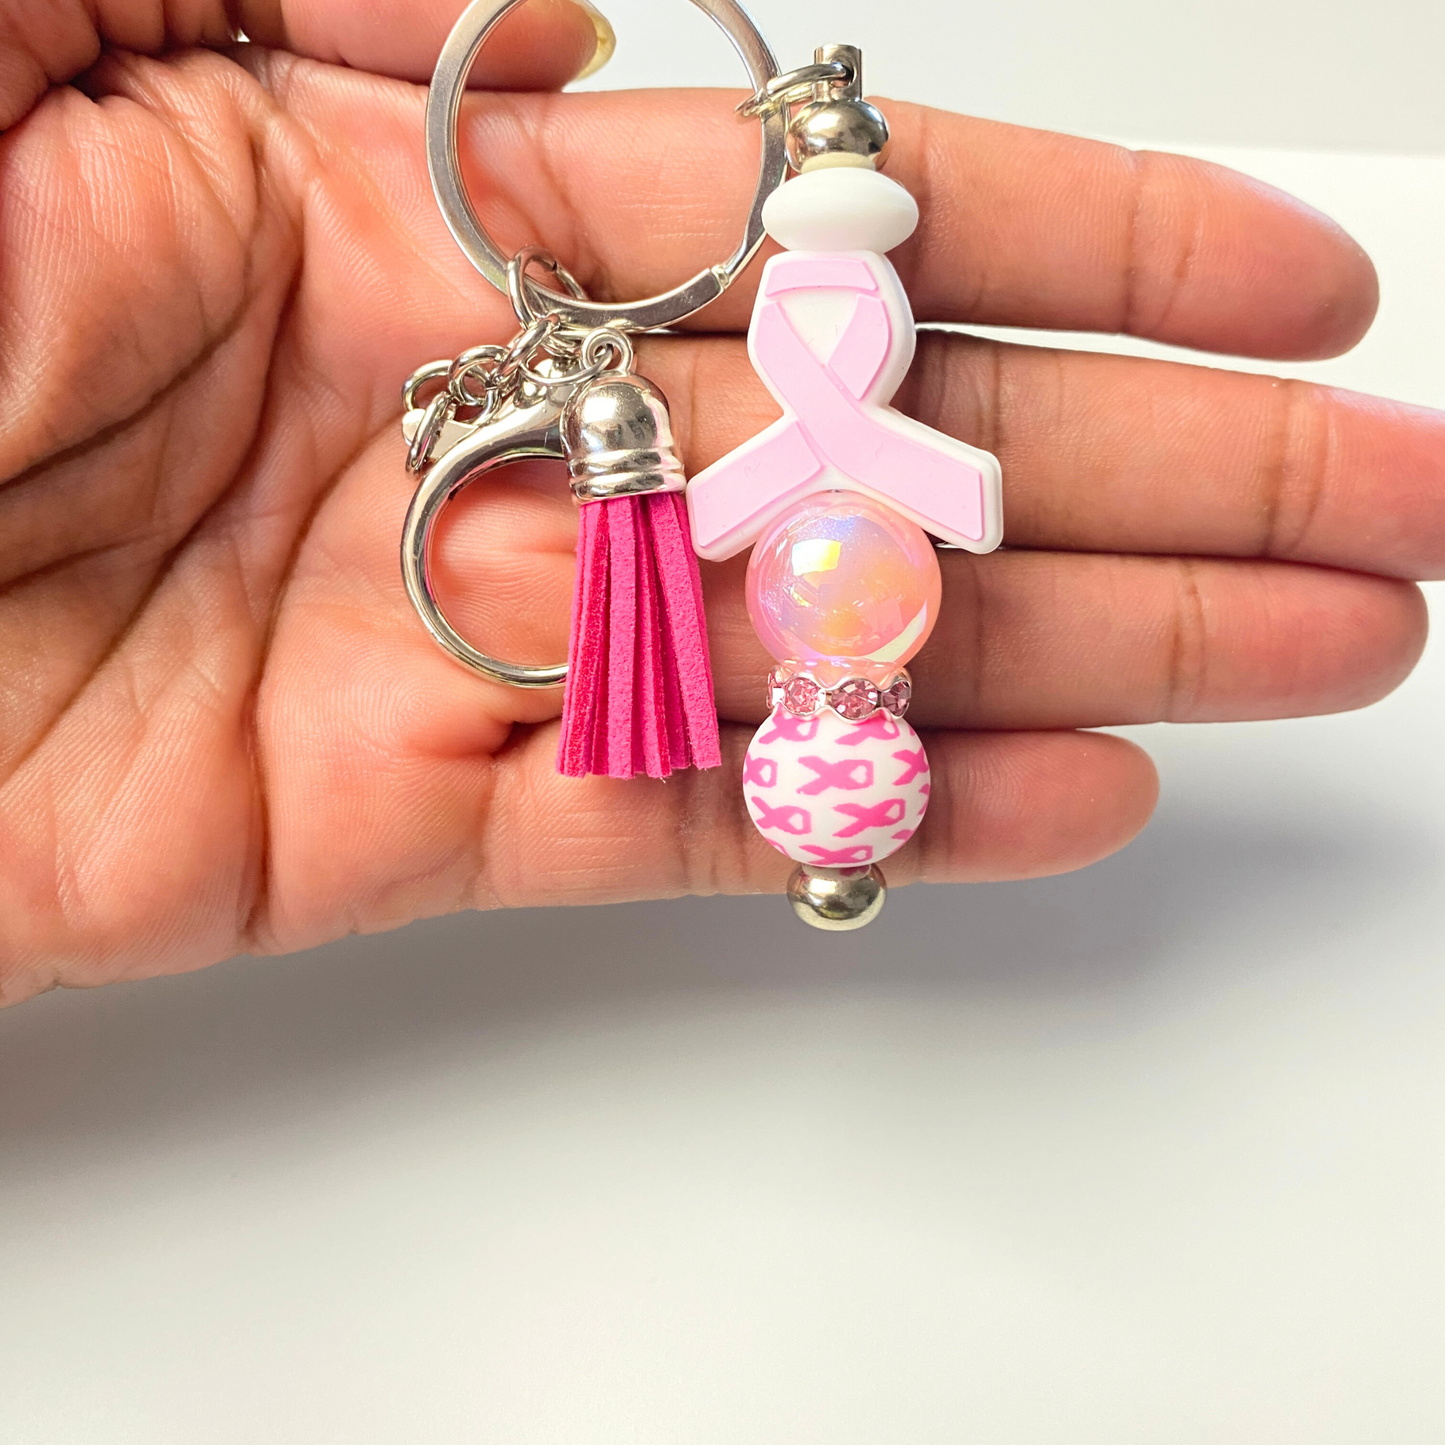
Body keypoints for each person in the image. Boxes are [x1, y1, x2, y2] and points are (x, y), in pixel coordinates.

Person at [0, 0, 1438, 1005]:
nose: (821, 321)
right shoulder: (839, 440)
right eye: (804, 302)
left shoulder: (855, 437)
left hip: (840, 539)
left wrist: (832, 467)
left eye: (830, 302)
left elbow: (864, 442)